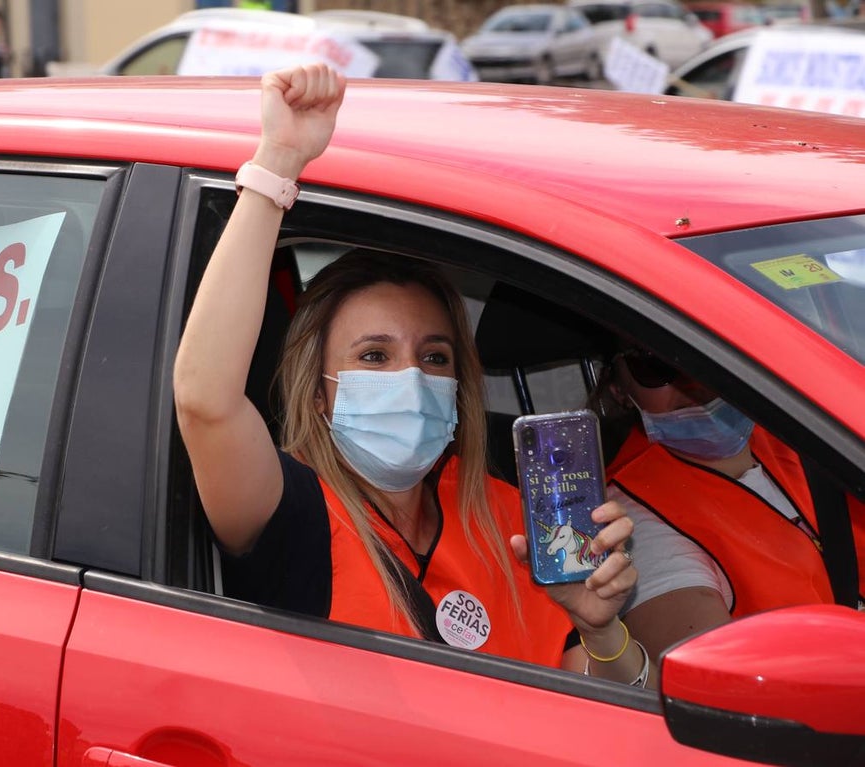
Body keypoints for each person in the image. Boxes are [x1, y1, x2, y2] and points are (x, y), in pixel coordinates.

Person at [173, 63, 648, 686]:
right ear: (319, 393)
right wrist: (278, 164)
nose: (411, 377)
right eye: (374, 356)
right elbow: (205, 398)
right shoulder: (289, 509)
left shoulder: (518, 519)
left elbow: (609, 715)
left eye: (434, 357)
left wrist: (601, 629)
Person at [597, 344, 865, 670]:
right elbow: (718, 681)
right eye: (656, 367)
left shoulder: (807, 431)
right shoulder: (629, 514)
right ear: (620, 391)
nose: (693, 381)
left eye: (708, 355)